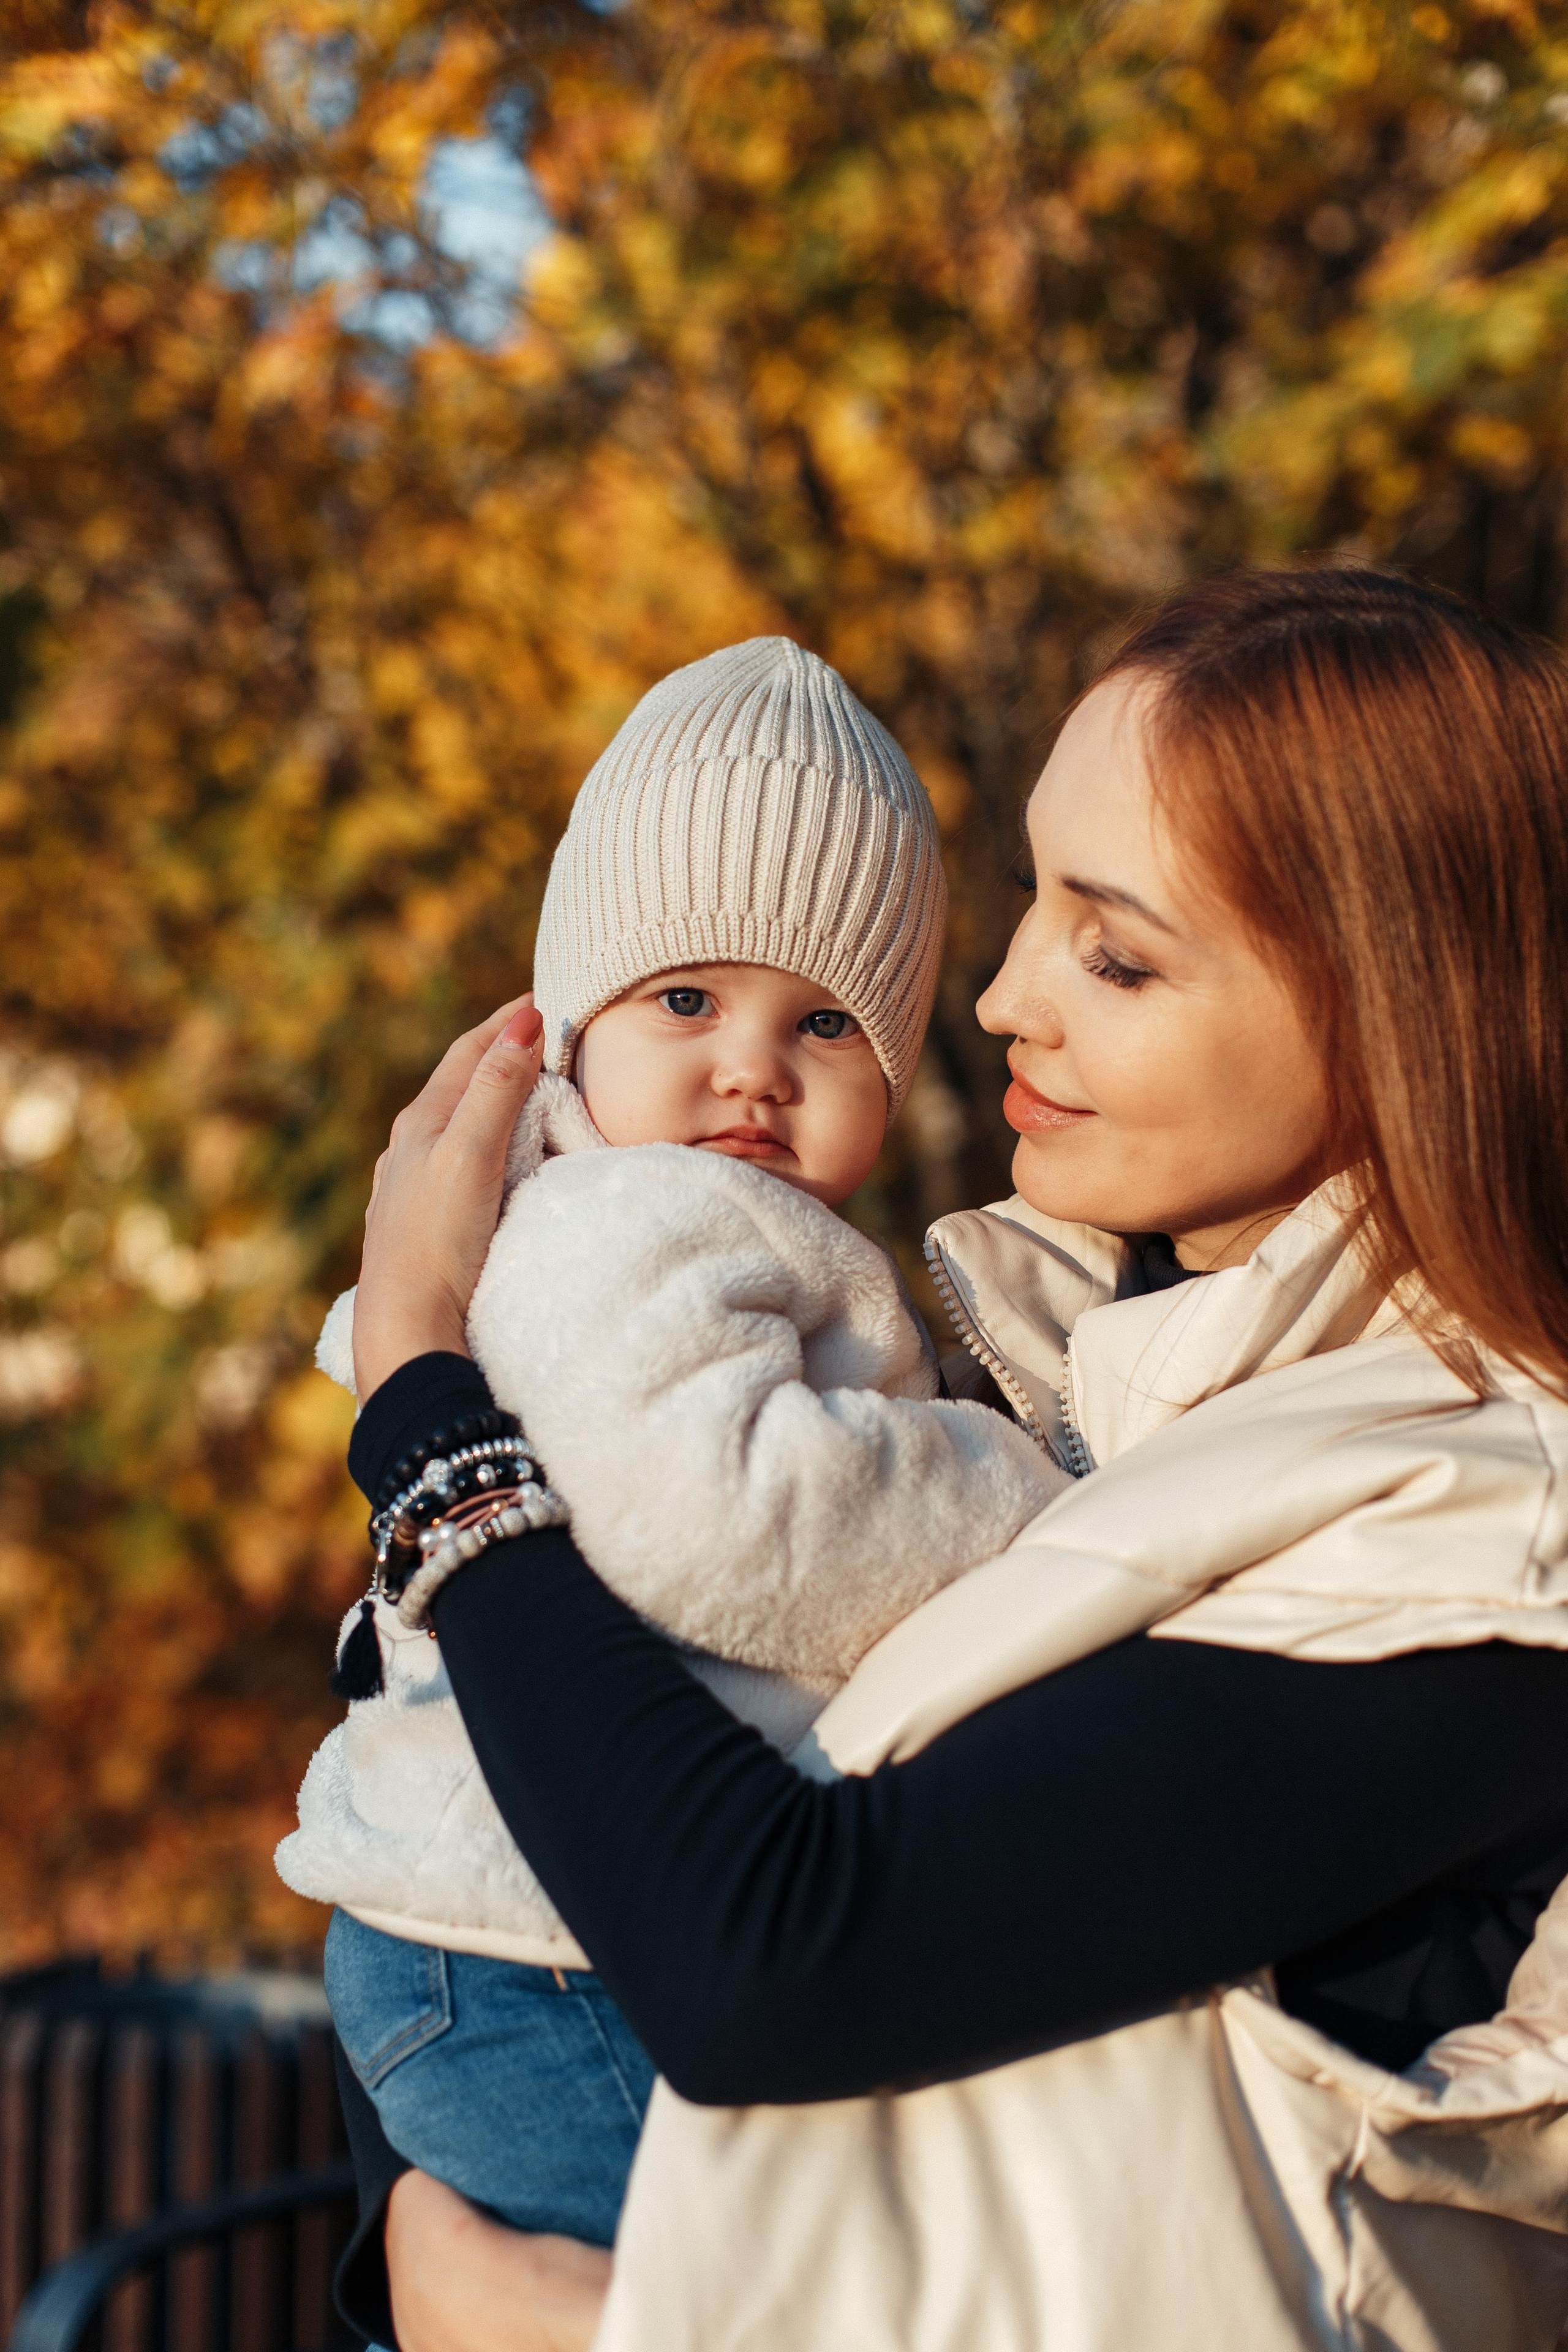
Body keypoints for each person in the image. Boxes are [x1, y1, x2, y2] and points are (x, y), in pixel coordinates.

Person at [334, 568, 1568, 2352]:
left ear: (1403, 1012)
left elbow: (771, 1962)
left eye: (1114, 954)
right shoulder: (1124, 1378)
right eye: (1031, 905)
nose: (999, 1000)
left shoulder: (1481, 1534)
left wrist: (426, 1409)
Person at [277, 638, 1063, 2250]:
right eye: (687, 999)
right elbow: (720, 1516)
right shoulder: (623, 1222)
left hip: (530, 1933)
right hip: (533, 1961)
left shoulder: (663, 1218)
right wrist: (1015, 1491)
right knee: (763, 2287)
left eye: (825, 1023)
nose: (752, 1069)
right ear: (567, 1027)